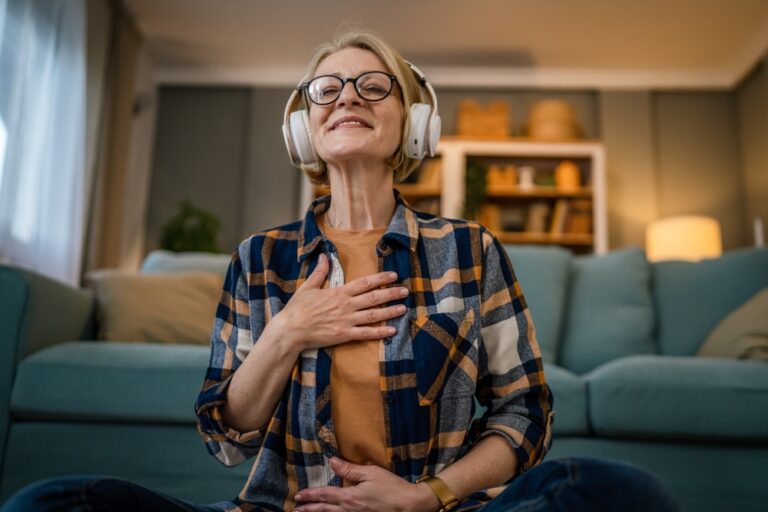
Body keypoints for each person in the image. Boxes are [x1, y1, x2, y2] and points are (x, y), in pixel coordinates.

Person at [1, 30, 678, 512]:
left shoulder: (470, 251)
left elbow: (526, 410)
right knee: (50, 502)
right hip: (282, 508)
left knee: (623, 492)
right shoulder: (259, 258)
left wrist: (426, 496)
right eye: (327, 87)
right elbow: (225, 434)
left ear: (413, 124)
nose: (347, 96)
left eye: (372, 84)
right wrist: (289, 330)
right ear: (305, 130)